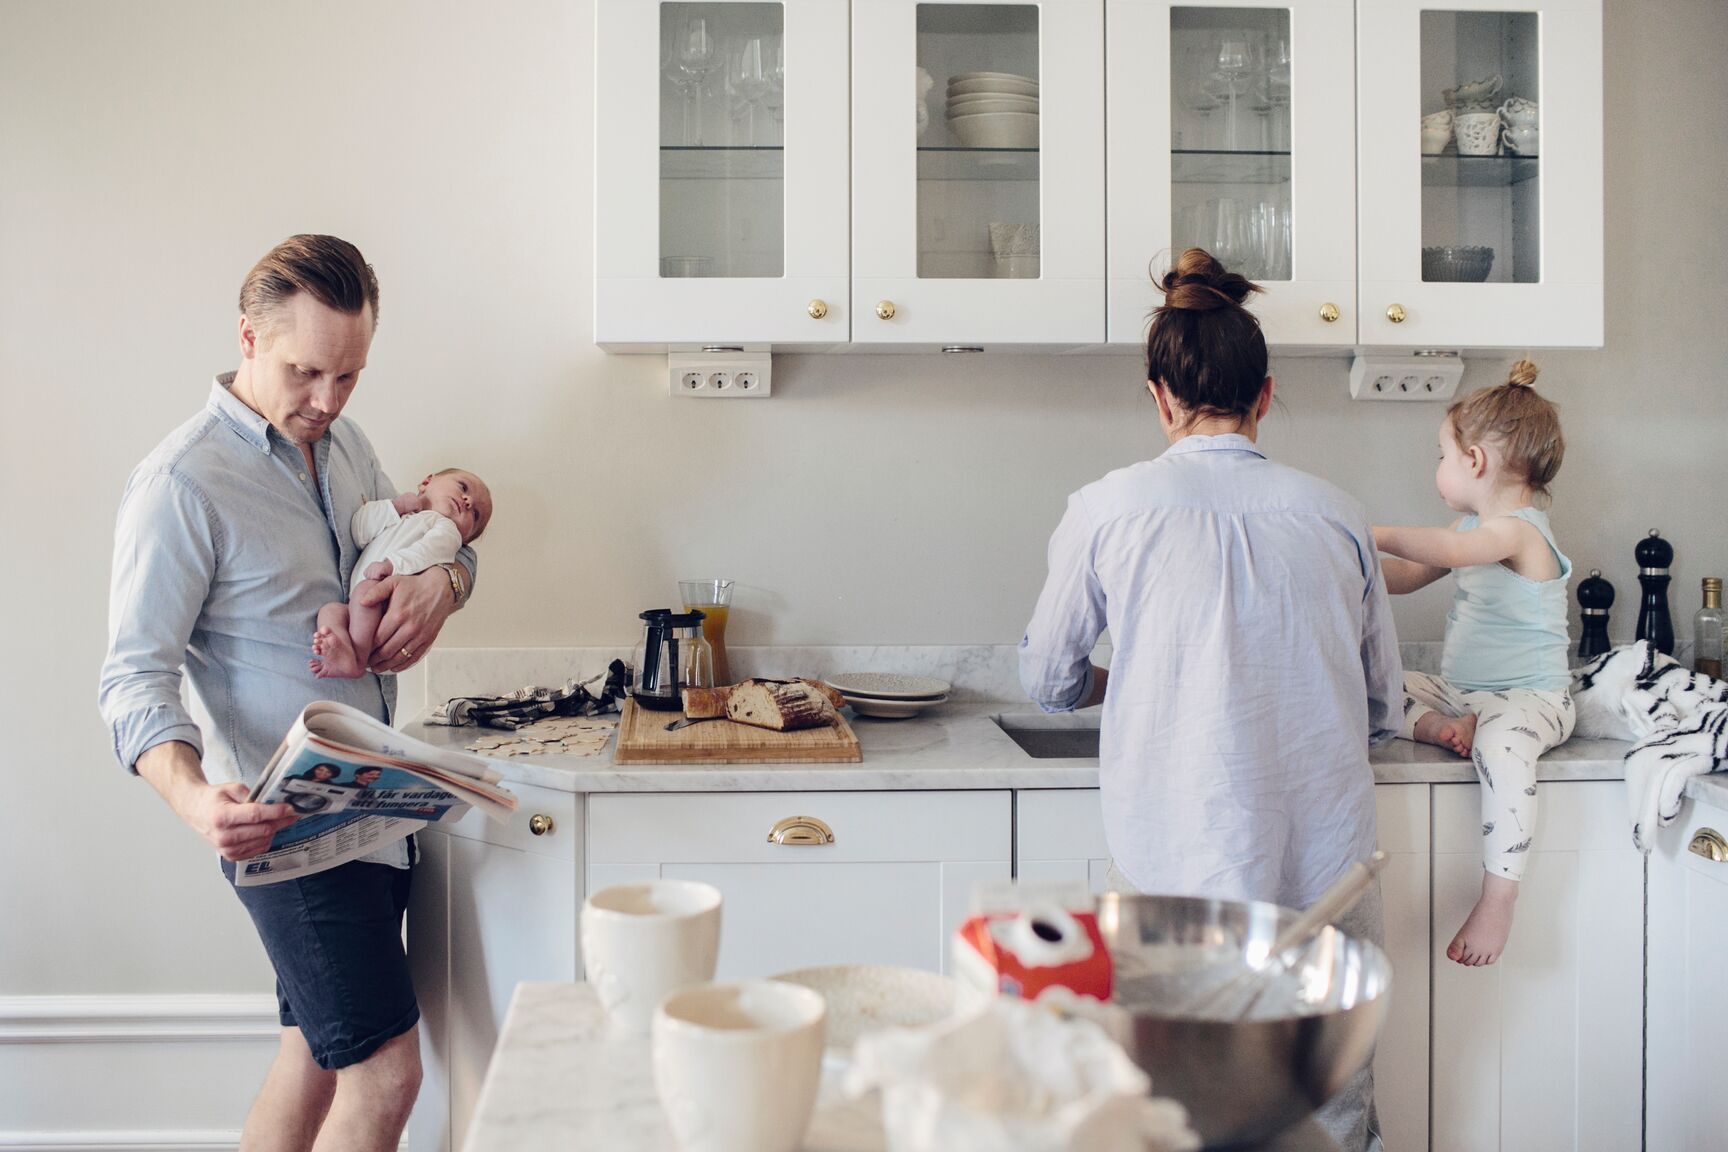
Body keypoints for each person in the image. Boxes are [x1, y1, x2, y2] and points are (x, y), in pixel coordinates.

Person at [98, 235, 476, 1152]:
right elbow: (130, 680)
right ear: (248, 338)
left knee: (311, 1054)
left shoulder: (347, 447)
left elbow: (418, 547)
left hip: (376, 814)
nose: (328, 401)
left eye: (350, 375)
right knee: (387, 1076)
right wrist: (192, 800)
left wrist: (445, 581)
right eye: (308, 372)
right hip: (288, 837)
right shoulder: (180, 484)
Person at [1019, 248, 1401, 1152]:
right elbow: (1383, 703)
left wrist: (1139, 675)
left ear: (1159, 395)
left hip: (1176, 878)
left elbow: (1048, 680)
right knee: (1327, 1106)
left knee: (1175, 1111)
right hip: (1328, 877)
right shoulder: (1338, 512)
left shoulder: (1108, 509)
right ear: (1266, 395)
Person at [1374, 360, 1572, 968]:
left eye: (1442, 455)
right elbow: (1408, 578)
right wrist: (1346, 564)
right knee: (1366, 679)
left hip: (1530, 699)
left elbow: (1454, 552)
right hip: (1463, 693)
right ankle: (1439, 727)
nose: (1439, 469)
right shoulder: (1472, 526)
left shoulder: (1519, 532)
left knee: (1504, 749)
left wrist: (1368, 530)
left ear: (1475, 461)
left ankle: (1498, 898)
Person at [311, 467, 492, 679]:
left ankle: (358, 660)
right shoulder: (400, 514)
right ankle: (342, 649)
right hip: (357, 608)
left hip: (389, 608)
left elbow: (426, 552)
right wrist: (394, 507)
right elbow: (359, 531)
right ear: (427, 481)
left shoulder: (446, 530)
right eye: (463, 487)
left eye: (476, 515)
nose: (467, 501)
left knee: (365, 594)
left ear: (466, 538)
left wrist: (392, 565)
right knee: (330, 611)